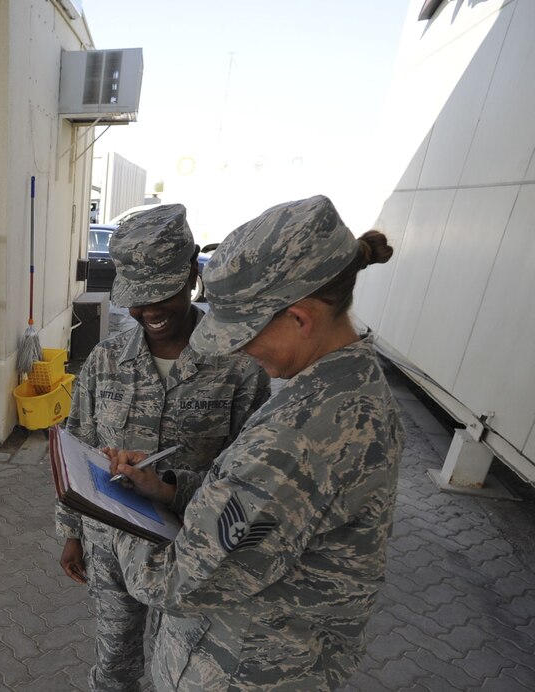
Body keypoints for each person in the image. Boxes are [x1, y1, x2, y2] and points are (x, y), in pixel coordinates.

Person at [110, 195, 405, 690]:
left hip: (242, 669)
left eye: (243, 333)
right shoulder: (335, 390)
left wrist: (111, 510)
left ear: (300, 317)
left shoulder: (304, 434)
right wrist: (166, 488)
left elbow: (174, 582)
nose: (239, 349)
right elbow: (243, 503)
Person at [55, 204, 271, 692]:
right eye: (137, 299)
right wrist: (70, 531)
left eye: (162, 295)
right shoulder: (107, 359)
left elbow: (249, 476)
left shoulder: (240, 368)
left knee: (183, 672)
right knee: (114, 666)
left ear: (193, 273)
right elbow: (79, 443)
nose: (149, 311)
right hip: (110, 545)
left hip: (195, 550)